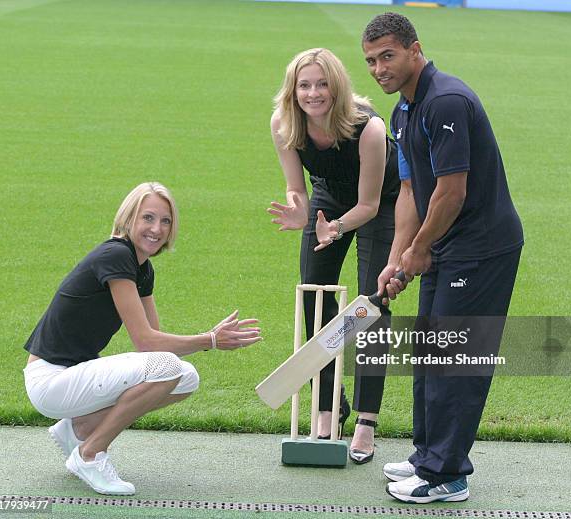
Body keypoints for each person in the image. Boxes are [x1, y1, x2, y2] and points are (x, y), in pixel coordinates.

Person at [362, 13, 524, 503]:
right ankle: (426, 456)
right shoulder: (402, 112)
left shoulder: (444, 101)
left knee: (455, 360)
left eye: (387, 56)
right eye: (370, 60)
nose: (378, 69)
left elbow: (452, 193)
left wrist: (421, 249)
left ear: (415, 49)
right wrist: (397, 257)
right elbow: (410, 191)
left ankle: (446, 474)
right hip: (445, 244)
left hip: (482, 249)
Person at [23, 182, 261, 496]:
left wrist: (208, 340)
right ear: (129, 218)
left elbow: (154, 343)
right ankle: (90, 454)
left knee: (184, 376)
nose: (156, 228)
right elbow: (148, 343)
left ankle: (77, 428)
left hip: (71, 379)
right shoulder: (116, 255)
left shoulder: (142, 269)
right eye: (147, 218)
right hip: (50, 380)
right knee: (167, 367)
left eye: (165, 221)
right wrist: (210, 340)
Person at [268, 48, 400, 464]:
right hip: (329, 196)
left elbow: (370, 205)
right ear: (293, 90)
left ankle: (366, 420)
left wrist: (337, 227)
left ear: (337, 86)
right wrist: (300, 211)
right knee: (317, 298)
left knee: (370, 306)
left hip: (382, 205)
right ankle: (328, 406)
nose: (313, 93)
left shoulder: (370, 129)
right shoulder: (285, 124)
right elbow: (299, 189)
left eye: (322, 84)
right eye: (304, 85)